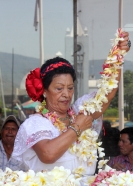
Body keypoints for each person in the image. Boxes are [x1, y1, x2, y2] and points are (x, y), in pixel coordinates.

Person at [12, 31, 130, 174]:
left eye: (70, 88)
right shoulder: (36, 123)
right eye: (59, 88)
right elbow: (48, 154)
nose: (66, 94)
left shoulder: (79, 111)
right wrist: (77, 127)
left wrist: (117, 55)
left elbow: (107, 94)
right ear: (44, 90)